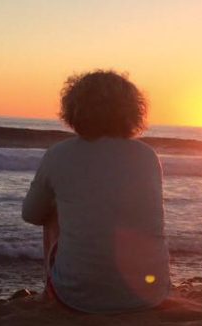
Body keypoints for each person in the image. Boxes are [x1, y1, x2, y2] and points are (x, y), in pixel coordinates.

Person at [22, 70, 171, 313]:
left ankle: (52, 290)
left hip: (76, 299)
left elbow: (31, 214)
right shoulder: (146, 156)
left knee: (52, 212)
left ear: (73, 110)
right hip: (151, 294)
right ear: (133, 111)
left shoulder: (59, 154)